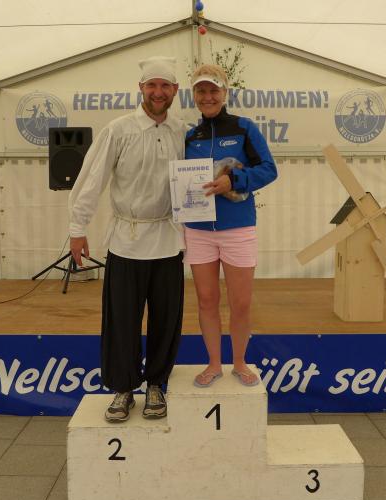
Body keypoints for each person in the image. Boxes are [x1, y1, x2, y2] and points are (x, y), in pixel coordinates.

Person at [68, 56, 186, 422]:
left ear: (175, 91)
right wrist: (77, 228)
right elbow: (93, 179)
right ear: (141, 89)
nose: (158, 92)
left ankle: (156, 385)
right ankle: (123, 388)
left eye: (164, 86)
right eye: (152, 85)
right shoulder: (118, 130)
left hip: (168, 241)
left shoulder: (183, 132)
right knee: (122, 320)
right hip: (126, 241)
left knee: (166, 320)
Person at [184, 64, 278, 387]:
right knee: (206, 300)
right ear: (194, 95)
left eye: (214, 90)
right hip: (198, 231)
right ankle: (214, 363)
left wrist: (234, 180)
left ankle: (239, 362)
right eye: (201, 91)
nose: (207, 97)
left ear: (225, 93)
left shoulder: (244, 128)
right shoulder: (190, 136)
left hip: (238, 229)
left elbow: (269, 169)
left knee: (241, 302)